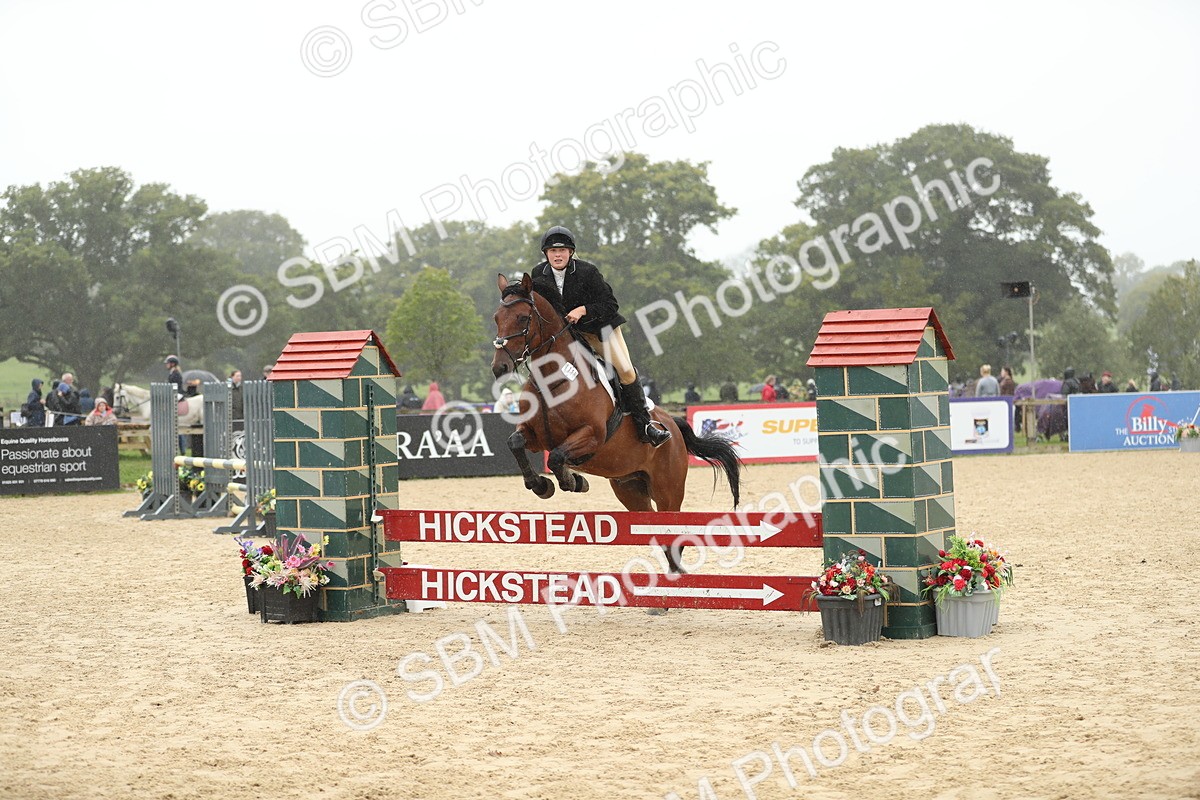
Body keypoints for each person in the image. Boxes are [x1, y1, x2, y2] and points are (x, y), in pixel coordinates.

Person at [530, 225, 670, 447]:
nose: (558, 255)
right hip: (567, 336)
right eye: (553, 251)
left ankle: (645, 425)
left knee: (624, 370)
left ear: (571, 252)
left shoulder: (587, 272)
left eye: (563, 250)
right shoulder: (538, 274)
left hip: (600, 330)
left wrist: (583, 310)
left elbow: (610, 304)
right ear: (546, 254)